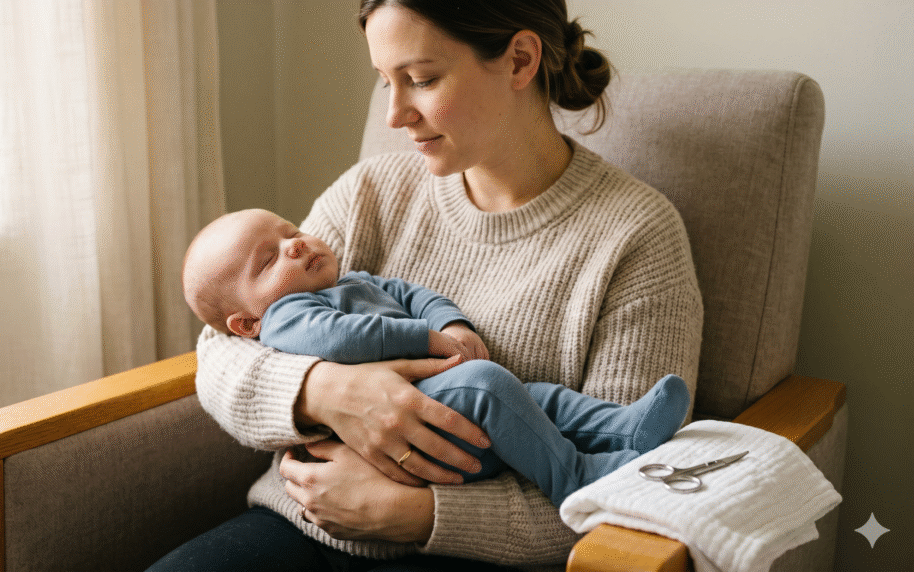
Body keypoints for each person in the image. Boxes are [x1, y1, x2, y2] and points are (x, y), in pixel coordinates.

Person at [148, 1, 703, 570]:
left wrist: (417, 513)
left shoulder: (635, 236)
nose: (393, 116)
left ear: (519, 59)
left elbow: (639, 482)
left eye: (420, 79)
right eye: (384, 81)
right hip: (298, 519)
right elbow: (222, 346)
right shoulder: (370, 193)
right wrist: (325, 391)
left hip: (472, 552)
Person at [181, 207, 690, 507]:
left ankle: (623, 430)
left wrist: (451, 325)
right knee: (489, 385)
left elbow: (415, 294)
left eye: (291, 231)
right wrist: (423, 340)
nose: (293, 246)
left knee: (538, 397)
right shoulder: (285, 316)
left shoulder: (355, 280)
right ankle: (576, 477)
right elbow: (341, 340)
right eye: (268, 260)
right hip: (418, 441)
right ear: (246, 325)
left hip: (448, 436)